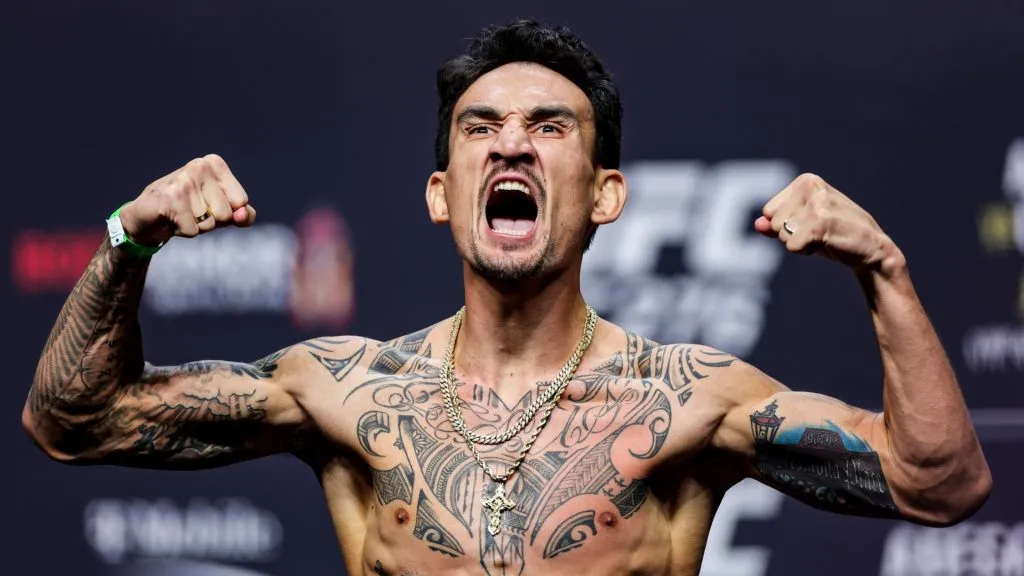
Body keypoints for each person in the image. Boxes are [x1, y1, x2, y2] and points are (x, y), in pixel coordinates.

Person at [22, 19, 991, 576]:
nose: (512, 143)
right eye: (479, 128)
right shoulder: (348, 392)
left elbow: (938, 484)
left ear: (606, 194)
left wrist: (884, 270)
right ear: (442, 193)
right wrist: (126, 239)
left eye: (548, 127)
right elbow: (73, 421)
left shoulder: (684, 403)